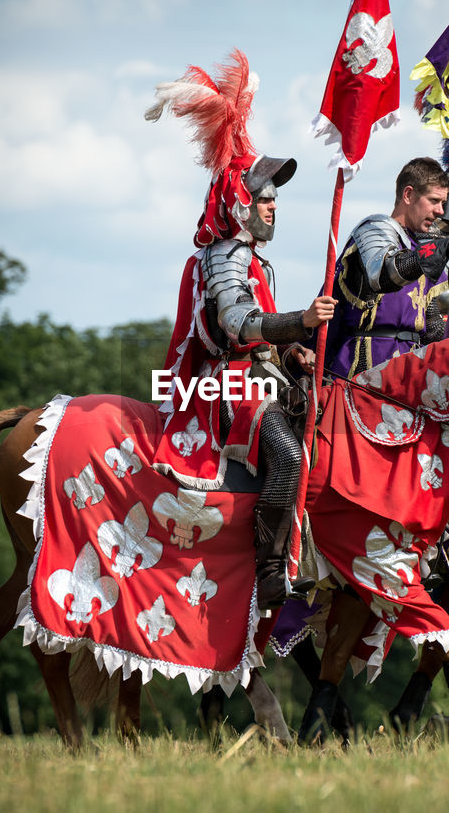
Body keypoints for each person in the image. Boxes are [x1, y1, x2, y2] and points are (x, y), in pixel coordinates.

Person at [147, 51, 329, 609]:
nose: (272, 205)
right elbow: (238, 322)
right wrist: (297, 322)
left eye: (275, 197)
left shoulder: (255, 259)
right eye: (262, 196)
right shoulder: (225, 255)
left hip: (259, 375)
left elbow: (265, 330)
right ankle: (272, 568)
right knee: (291, 457)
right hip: (222, 385)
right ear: (236, 201)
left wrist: (296, 346)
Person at [323, 156, 449, 378]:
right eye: (434, 200)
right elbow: (385, 274)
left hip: (410, 374)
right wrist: (441, 247)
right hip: (362, 369)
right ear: (408, 195)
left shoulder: (425, 250)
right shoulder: (375, 229)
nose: (440, 211)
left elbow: (436, 334)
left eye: (443, 203)